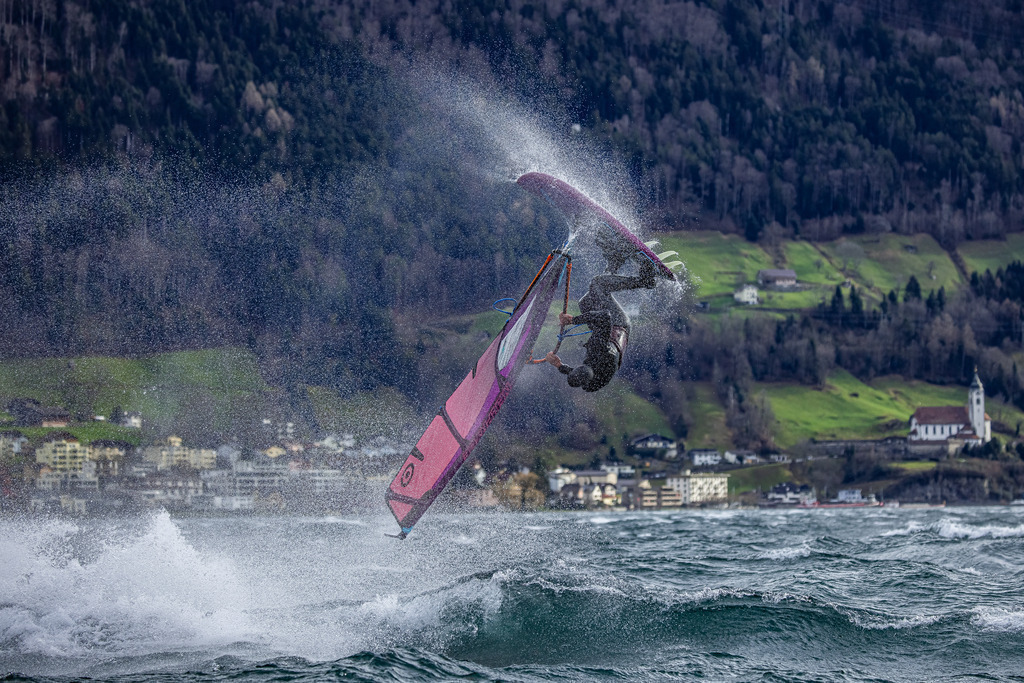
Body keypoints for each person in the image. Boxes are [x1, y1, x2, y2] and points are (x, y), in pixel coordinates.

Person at [545, 252, 656, 392]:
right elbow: (605, 316)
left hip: (608, 337)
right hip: (618, 324)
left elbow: (580, 376)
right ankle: (645, 280)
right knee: (598, 284)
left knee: (585, 303)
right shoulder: (599, 348)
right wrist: (573, 320)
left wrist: (560, 366)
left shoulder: (590, 385)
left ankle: (615, 262)